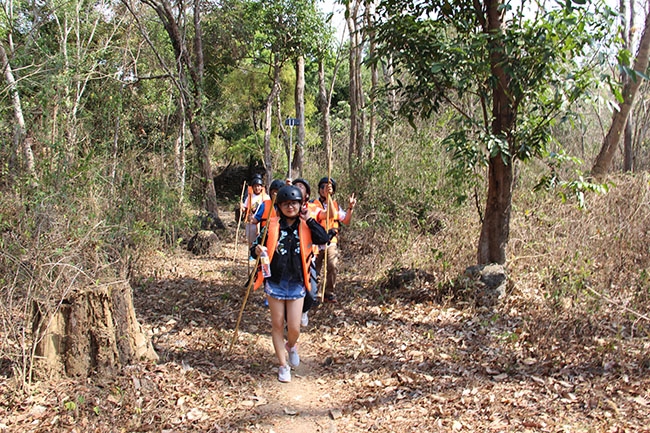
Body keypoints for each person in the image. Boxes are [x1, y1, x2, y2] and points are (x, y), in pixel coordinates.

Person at [250, 185, 329, 382]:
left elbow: (324, 238)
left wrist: (308, 218)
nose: (290, 207)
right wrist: (257, 250)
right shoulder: (272, 225)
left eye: (294, 203)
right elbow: (254, 247)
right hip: (275, 280)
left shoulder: (306, 225)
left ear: (301, 204)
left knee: (294, 328)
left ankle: (291, 345)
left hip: (297, 282)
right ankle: (283, 365)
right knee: (277, 324)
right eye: (285, 204)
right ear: (279, 206)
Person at [313, 177, 357, 304]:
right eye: (322, 187)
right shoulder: (314, 204)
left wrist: (350, 208)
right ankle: (314, 293)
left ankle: (329, 293)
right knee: (315, 269)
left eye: (328, 187)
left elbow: (346, 221)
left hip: (331, 241)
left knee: (332, 265)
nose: (324, 190)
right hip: (316, 243)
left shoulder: (336, 206)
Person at [241, 175, 269, 254]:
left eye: (259, 186)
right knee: (251, 239)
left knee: (261, 240)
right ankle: (251, 253)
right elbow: (245, 207)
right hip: (251, 221)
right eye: (255, 186)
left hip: (261, 222)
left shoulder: (266, 197)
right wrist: (242, 208)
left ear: (262, 187)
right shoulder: (249, 197)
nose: (257, 188)